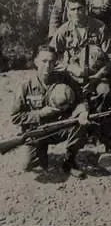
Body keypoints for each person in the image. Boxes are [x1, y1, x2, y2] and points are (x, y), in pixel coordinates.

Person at [10, 45, 89, 177]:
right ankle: (40, 150)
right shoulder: (25, 85)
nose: (48, 65)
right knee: (29, 165)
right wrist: (41, 113)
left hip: (59, 128)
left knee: (81, 123)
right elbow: (16, 117)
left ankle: (69, 162)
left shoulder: (64, 78)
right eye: (44, 61)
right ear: (35, 61)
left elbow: (81, 99)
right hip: (37, 132)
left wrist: (82, 112)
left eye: (52, 61)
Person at [49, 0, 111, 112]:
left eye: (79, 8)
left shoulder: (100, 28)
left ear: (86, 8)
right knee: (62, 96)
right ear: (68, 11)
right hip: (72, 78)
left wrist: (97, 77)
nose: (76, 13)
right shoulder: (63, 31)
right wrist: (69, 68)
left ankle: (99, 120)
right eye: (73, 9)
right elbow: (52, 56)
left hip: (96, 77)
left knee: (105, 91)